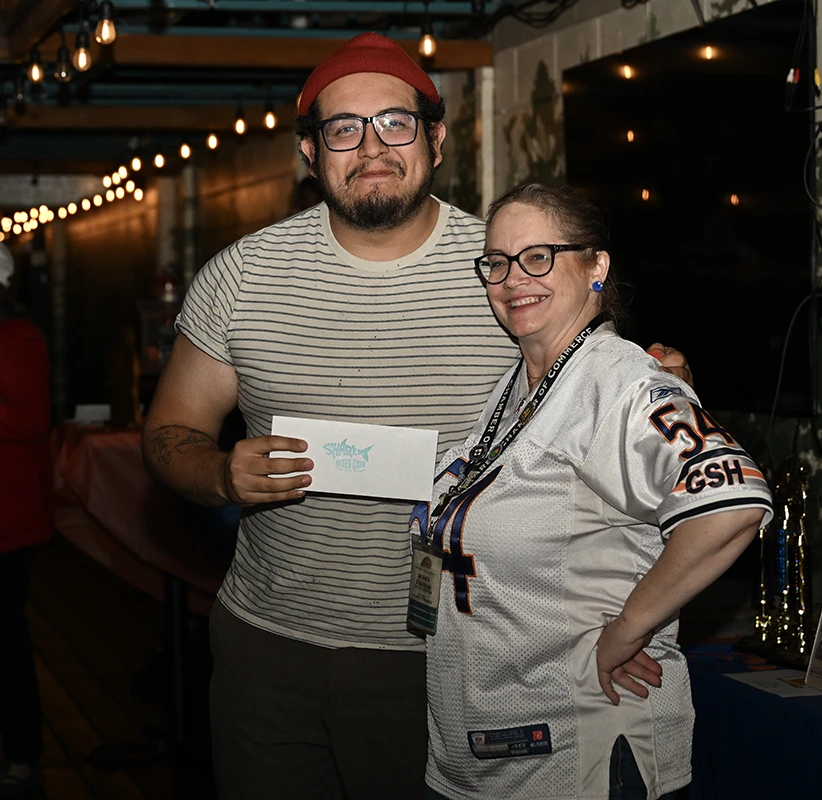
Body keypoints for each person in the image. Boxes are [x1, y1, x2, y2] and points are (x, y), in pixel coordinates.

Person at [142, 33, 691, 800]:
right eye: (344, 128)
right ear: (310, 151)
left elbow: (601, 406)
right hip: (267, 648)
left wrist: (659, 381)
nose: (372, 147)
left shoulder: (505, 270)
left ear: (435, 139)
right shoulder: (241, 276)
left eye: (395, 123)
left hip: (453, 653)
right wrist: (219, 473)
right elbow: (169, 434)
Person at [413, 184, 773, 800]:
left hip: (578, 753)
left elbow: (734, 499)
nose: (513, 278)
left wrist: (628, 630)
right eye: (496, 262)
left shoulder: (619, 380)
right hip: (483, 757)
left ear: (596, 266)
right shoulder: (519, 386)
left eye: (538, 256)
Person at [0, 243, 52, 799]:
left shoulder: (18, 338)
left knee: (6, 640)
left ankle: (23, 753)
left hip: (7, 520)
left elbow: (32, 419)